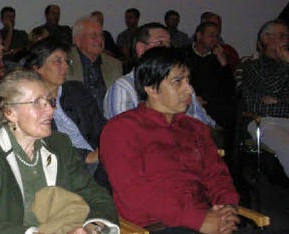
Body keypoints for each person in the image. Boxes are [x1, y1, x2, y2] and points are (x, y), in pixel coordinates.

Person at [0, 68, 118, 234]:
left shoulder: (59, 144)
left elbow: (94, 194)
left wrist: (94, 226)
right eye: (37, 103)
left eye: (50, 101)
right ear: (10, 112)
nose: (50, 110)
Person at [100, 47, 240, 233]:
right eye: (177, 81)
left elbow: (216, 175)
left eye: (188, 80)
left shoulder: (195, 128)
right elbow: (135, 194)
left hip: (205, 219)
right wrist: (199, 220)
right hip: (157, 226)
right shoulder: (121, 129)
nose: (189, 89)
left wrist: (227, 207)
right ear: (151, 88)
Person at [103, 22, 216, 128]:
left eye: (169, 44)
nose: (167, 49)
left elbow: (207, 124)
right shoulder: (124, 88)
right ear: (141, 49)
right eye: (160, 43)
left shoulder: (183, 86)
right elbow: (126, 136)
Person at [26, 37, 106, 177]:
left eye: (66, 61)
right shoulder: (29, 101)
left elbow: (100, 125)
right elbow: (43, 145)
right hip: (64, 167)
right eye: (58, 61)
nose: (66, 66)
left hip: (99, 158)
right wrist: (86, 157)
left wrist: (109, 147)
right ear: (37, 68)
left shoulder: (77, 90)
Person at [241, 19, 289, 177]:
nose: (286, 40)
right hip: (265, 121)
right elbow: (272, 87)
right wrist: (287, 63)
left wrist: (277, 100)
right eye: (281, 35)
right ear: (265, 39)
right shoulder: (253, 66)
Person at [179, 22, 236, 133]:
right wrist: (194, 98)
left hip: (213, 105)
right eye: (211, 35)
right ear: (199, 35)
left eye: (217, 36)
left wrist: (224, 63)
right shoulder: (183, 54)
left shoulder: (218, 57)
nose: (214, 40)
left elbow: (229, 89)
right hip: (189, 102)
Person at [69, 16, 123, 113]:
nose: (99, 40)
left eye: (101, 35)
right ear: (77, 40)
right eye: (93, 36)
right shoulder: (64, 62)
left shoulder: (114, 65)